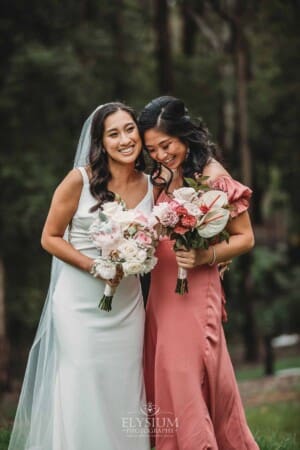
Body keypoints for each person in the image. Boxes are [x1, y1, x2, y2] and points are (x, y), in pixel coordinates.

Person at [8, 102, 152, 450]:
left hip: (127, 305)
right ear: (101, 143)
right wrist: (95, 266)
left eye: (130, 129)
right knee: (83, 381)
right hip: (79, 304)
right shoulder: (80, 180)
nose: (125, 140)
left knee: (124, 382)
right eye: (113, 134)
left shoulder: (152, 184)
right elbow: (49, 237)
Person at [138, 96, 259, 450]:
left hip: (194, 292)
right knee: (172, 375)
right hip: (161, 292)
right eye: (152, 149)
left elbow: (245, 238)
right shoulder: (161, 177)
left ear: (184, 134)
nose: (160, 154)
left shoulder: (212, 176)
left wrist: (207, 255)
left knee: (184, 377)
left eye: (166, 144)